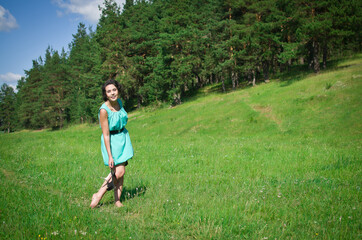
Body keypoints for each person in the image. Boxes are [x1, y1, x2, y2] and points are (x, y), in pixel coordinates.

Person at [90, 79, 134, 208]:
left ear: (118, 90)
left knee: (121, 171)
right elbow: (106, 134)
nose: (112, 93)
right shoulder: (103, 110)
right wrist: (110, 155)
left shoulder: (119, 102)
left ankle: (117, 200)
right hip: (112, 142)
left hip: (123, 138)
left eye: (114, 90)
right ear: (105, 94)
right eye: (109, 91)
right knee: (117, 172)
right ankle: (98, 195)